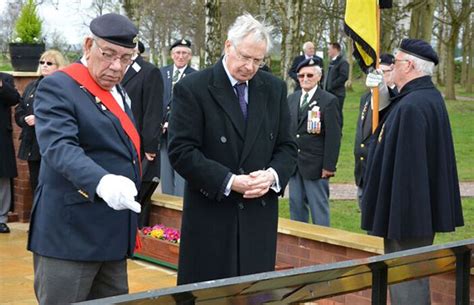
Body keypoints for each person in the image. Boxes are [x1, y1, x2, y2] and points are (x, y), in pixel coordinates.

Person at [168, 13, 297, 285]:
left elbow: (287, 146)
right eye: (244, 57)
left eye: (258, 60)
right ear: (228, 46)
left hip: (257, 218)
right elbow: (181, 150)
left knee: (253, 294)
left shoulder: (273, 89)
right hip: (212, 216)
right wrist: (229, 181)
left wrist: (273, 176)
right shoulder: (193, 88)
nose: (250, 67)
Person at [27, 13, 143, 304]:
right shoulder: (58, 87)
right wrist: (102, 181)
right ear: (88, 45)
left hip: (112, 231)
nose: (117, 67)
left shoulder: (119, 92)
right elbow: (58, 148)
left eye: (126, 58)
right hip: (71, 236)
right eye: (108, 55)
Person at [361, 39, 464, 305]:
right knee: (405, 277)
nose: (390, 66)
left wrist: (397, 212)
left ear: (408, 65)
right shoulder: (422, 97)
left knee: (406, 279)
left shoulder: (412, 106)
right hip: (412, 211)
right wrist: (383, 95)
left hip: (405, 213)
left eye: (394, 62)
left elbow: (407, 168)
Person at [288, 58, 341, 227]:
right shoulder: (292, 98)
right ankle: (300, 248)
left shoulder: (328, 100)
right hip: (295, 165)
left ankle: (323, 249)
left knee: (319, 211)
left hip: (316, 166)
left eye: (309, 75)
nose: (305, 79)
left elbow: (334, 137)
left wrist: (329, 166)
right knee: (296, 207)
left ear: (319, 77)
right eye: (301, 75)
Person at [122, 41, 164, 227]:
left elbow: (153, 111)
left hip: (139, 146)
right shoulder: (114, 69)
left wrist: (150, 145)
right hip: (118, 144)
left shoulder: (149, 72)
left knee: (138, 196)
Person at [15, 50, 68, 193]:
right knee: (35, 183)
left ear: (59, 66)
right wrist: (23, 119)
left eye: (49, 63)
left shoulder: (63, 87)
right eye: (42, 62)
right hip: (32, 142)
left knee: (50, 186)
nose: (44, 65)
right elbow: (20, 109)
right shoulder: (32, 86)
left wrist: (39, 120)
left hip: (51, 142)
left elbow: (65, 113)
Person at [354, 53, 397, 210]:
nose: (380, 76)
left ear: (394, 71)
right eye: (376, 73)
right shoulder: (366, 98)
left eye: (384, 72)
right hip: (363, 170)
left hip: (381, 172)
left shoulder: (397, 99)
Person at [160, 39, 197, 197]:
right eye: (177, 53)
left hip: (183, 132)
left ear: (189, 56)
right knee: (165, 172)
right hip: (163, 133)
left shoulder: (195, 76)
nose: (181, 56)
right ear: (172, 55)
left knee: (182, 173)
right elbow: (156, 100)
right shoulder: (162, 73)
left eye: (184, 53)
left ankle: (180, 208)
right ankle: (167, 204)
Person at [0, 72, 21, 234]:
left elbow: (14, 99)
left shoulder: (5, 78)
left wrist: (1, 85)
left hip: (1, 137)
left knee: (2, 178)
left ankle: (1, 219)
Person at [323, 42, 349, 128]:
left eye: (329, 49)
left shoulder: (342, 62)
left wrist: (331, 85)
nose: (328, 51)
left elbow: (343, 77)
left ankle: (338, 130)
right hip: (329, 93)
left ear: (335, 49)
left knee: (337, 113)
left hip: (337, 93)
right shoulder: (332, 62)